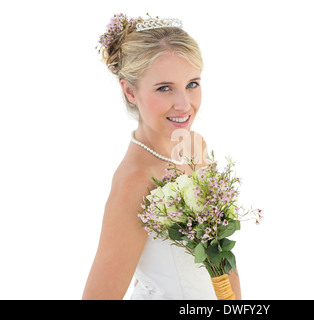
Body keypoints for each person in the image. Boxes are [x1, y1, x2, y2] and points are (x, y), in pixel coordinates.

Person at [82, 13, 241, 300]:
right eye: (164, 88)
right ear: (130, 90)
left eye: (192, 84)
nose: (185, 105)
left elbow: (221, 257)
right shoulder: (135, 181)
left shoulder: (194, 145)